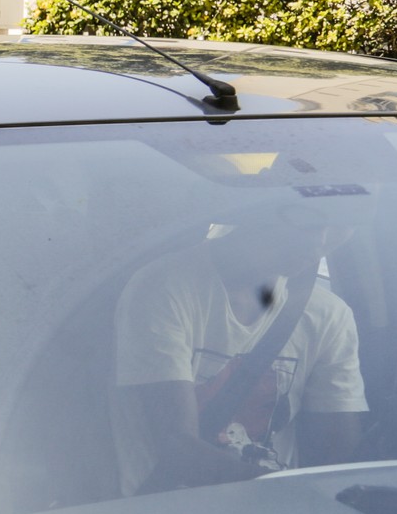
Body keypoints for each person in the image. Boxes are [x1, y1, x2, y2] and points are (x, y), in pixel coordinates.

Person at [113, 211, 368, 496]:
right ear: (262, 207)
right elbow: (177, 448)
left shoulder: (329, 316)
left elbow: (339, 460)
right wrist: (290, 492)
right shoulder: (165, 286)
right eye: (307, 219)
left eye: (346, 222)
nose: (320, 240)